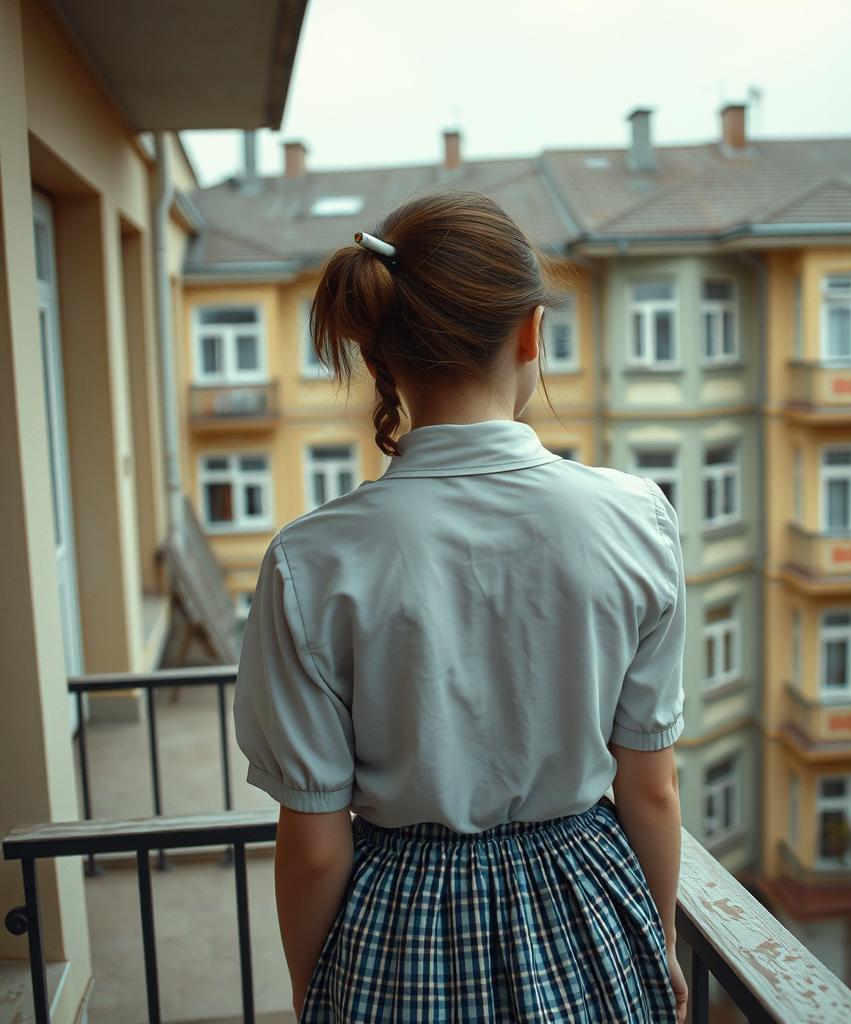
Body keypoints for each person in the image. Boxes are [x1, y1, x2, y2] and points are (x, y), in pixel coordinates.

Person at [232, 189, 690, 1023]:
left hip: (397, 940)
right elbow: (650, 792)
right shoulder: (637, 518)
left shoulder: (309, 561)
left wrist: (312, 989)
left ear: (381, 357)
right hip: (590, 916)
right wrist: (654, 941)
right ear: (530, 332)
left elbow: (311, 846)